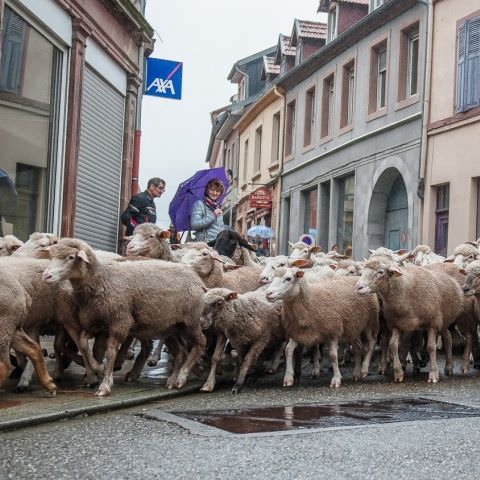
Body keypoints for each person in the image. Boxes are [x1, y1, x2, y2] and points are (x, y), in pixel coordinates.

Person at [190, 178, 225, 243]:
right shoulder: (199, 204)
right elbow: (194, 225)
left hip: (217, 244)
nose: (214, 193)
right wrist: (213, 216)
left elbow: (221, 228)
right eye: (212, 190)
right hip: (204, 245)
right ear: (207, 190)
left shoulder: (218, 208)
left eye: (217, 191)